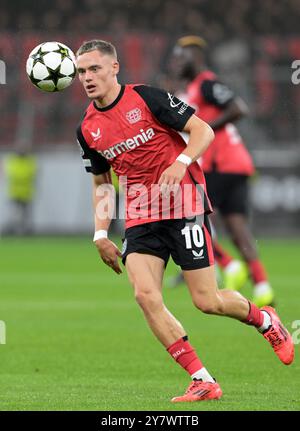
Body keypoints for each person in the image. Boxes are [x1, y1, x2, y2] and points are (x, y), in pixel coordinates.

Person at [75, 39, 294, 402]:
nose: (87, 77)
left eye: (94, 68)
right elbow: (101, 181)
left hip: (183, 203)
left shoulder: (147, 98)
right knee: (145, 296)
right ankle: (202, 379)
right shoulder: (87, 128)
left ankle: (265, 319)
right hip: (140, 214)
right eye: (81, 71)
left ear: (115, 68)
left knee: (207, 301)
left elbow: (203, 130)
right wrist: (100, 232)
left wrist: (181, 163)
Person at [169, 35, 275, 307]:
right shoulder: (194, 87)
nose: (177, 62)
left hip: (219, 164)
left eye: (183, 56)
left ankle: (228, 265)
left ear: (197, 57)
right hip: (238, 164)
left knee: (189, 218)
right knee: (237, 226)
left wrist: (205, 129)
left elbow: (238, 108)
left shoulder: (205, 84)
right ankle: (262, 286)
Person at [2, 150, 37, 235]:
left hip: (24, 193)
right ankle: (15, 230)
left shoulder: (26, 162)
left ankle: (24, 231)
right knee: (16, 214)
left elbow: (30, 174)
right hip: (17, 193)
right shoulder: (27, 162)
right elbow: (28, 175)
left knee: (24, 214)